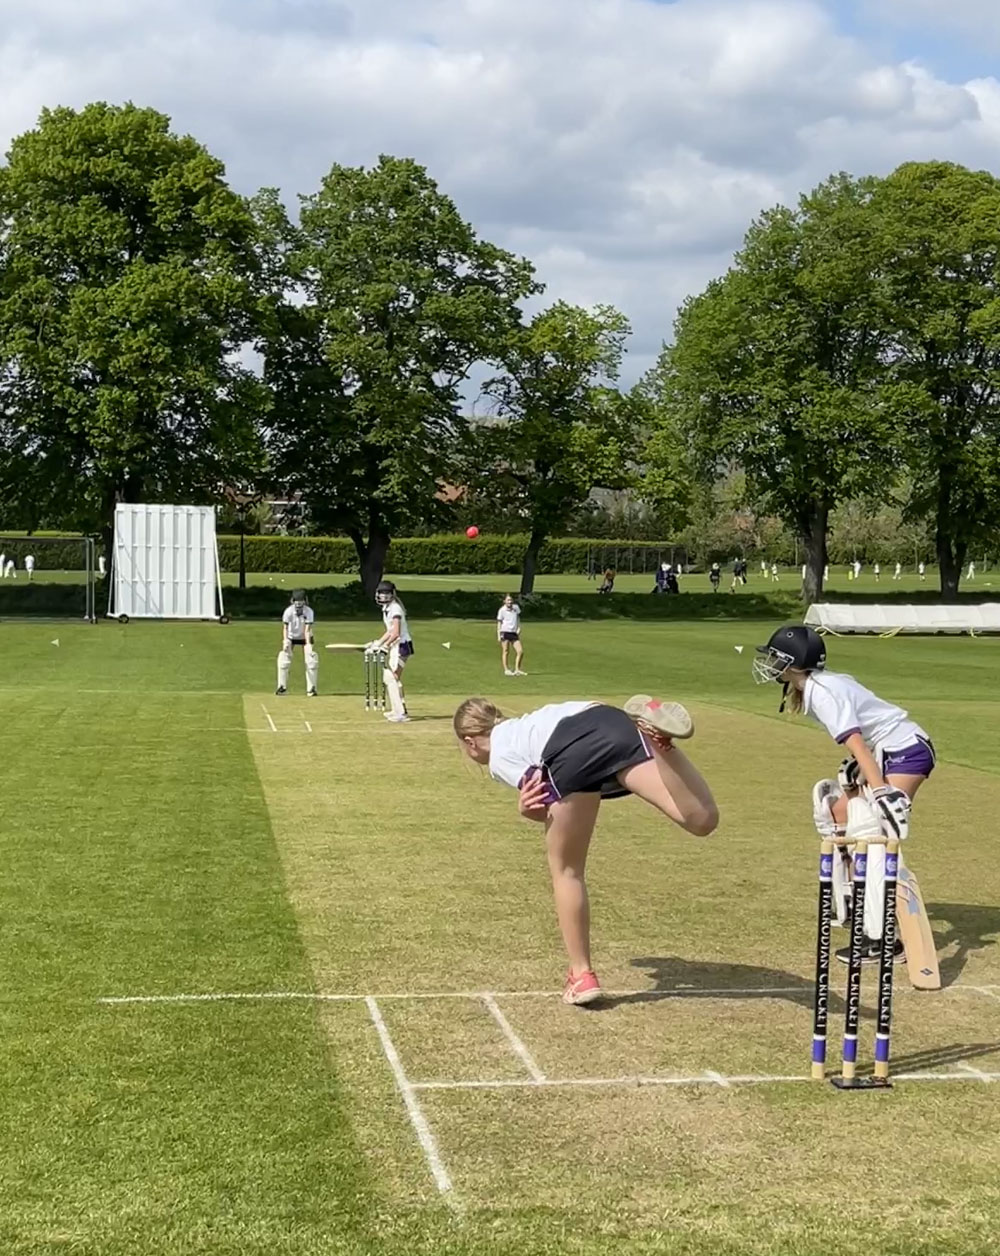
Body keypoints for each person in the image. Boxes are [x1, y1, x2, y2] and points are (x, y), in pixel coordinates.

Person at [453, 694, 719, 1004]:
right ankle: (658, 740)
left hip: (570, 749)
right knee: (701, 819)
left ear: (471, 742)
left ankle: (582, 975)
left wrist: (526, 811)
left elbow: (546, 801)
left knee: (566, 870)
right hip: (613, 720)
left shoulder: (498, 756)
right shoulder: (524, 725)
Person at [753, 625, 935, 965]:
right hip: (888, 750)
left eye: (776, 657)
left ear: (793, 663)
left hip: (906, 751)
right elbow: (866, 736)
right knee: (836, 812)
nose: (770, 663)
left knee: (873, 832)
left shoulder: (823, 692)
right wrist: (860, 766)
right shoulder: (820, 685)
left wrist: (880, 791)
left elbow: (857, 741)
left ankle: (880, 938)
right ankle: (853, 902)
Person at [370, 580, 414, 723]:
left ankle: (401, 713)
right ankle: (398, 710)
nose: (383, 596)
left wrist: (385, 646)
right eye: (381, 593)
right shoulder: (387, 608)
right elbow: (389, 631)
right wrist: (378, 642)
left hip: (402, 646)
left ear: (392, 594)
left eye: (386, 593)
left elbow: (396, 633)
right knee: (392, 678)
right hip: (396, 646)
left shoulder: (395, 609)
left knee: (392, 678)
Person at [276, 589, 318, 697]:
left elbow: (307, 630)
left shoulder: (309, 611)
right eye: (296, 600)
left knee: (311, 660)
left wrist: (308, 644)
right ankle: (282, 687)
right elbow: (285, 627)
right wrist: (285, 641)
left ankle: (311, 689)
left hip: (305, 637)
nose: (298, 603)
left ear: (305, 601)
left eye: (301, 600)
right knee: (284, 659)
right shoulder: (288, 611)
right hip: (291, 636)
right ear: (293, 600)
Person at [497, 593, 526, 676]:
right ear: (504, 601)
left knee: (520, 651)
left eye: (511, 600)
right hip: (505, 632)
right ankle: (506, 669)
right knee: (506, 651)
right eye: (508, 600)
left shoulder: (516, 608)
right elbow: (499, 623)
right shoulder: (502, 610)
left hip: (513, 632)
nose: (510, 602)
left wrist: (519, 627)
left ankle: (517, 669)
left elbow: (518, 618)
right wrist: (499, 634)